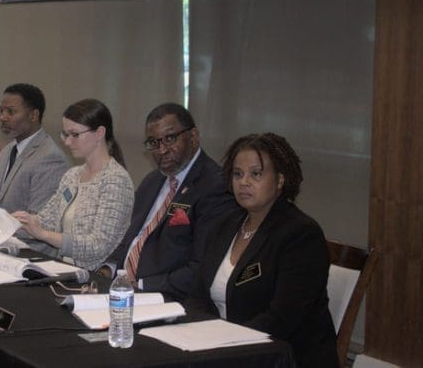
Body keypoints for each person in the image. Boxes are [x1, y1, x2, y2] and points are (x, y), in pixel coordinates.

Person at [187, 133, 338, 367]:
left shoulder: (300, 234)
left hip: (281, 356)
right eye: (238, 174)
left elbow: (282, 319)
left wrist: (223, 342)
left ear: (279, 180)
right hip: (223, 351)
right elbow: (198, 295)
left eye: (256, 174)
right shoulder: (224, 225)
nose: (244, 182)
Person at [99, 103, 236, 300]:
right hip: (122, 291)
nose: (162, 150)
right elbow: (132, 238)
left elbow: (200, 269)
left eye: (170, 139)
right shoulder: (152, 182)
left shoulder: (215, 186)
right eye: (154, 143)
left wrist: (140, 285)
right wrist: (107, 269)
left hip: (166, 300)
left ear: (194, 137)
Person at [9, 99, 133, 271]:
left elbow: (98, 246)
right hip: (65, 270)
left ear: (99, 133)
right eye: (65, 134)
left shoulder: (116, 180)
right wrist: (6, 221)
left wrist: (43, 235)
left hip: (94, 280)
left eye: (74, 135)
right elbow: (46, 221)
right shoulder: (73, 175)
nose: (67, 142)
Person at [0, 83, 69, 225]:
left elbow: (40, 222)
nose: (2, 117)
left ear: (33, 115)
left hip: (27, 245)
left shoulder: (50, 157)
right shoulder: (6, 152)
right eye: (1, 111)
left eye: (11, 112)